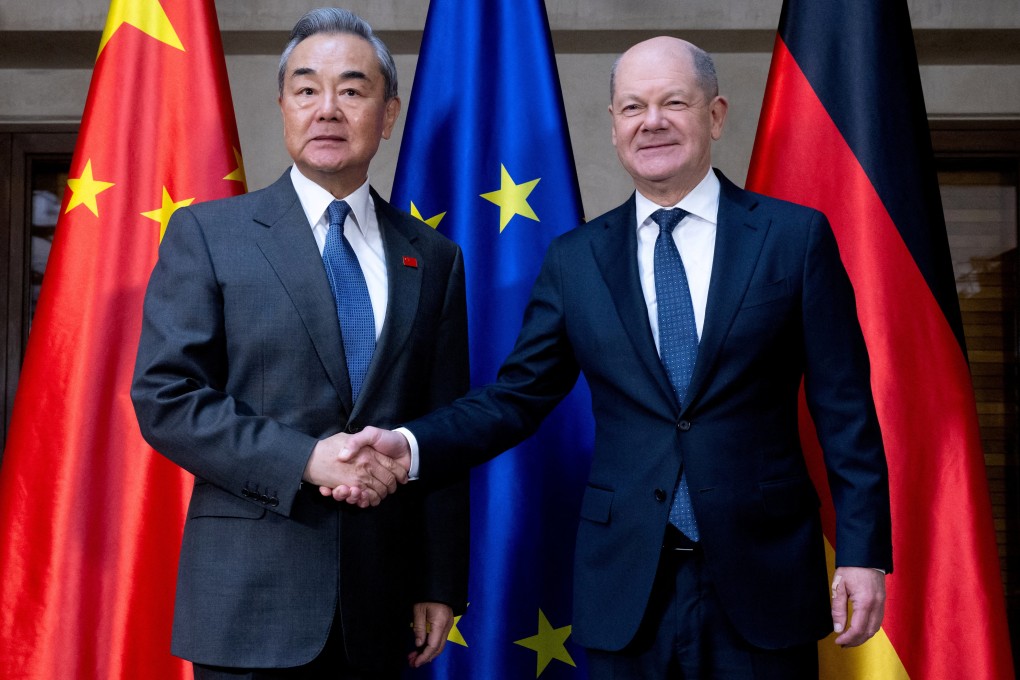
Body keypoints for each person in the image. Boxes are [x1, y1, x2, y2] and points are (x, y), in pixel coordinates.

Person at [341, 36, 892, 678]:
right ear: (612, 126)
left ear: (714, 115)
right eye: (632, 107)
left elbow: (845, 408)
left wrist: (862, 551)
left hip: (764, 576)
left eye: (673, 103)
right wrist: (409, 445)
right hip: (625, 585)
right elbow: (517, 397)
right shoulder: (576, 260)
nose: (650, 122)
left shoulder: (794, 239)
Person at [131, 8, 470, 679]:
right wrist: (306, 460)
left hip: (383, 599)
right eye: (307, 89)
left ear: (389, 112)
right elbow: (166, 398)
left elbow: (444, 425)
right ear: (283, 107)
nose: (328, 110)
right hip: (250, 600)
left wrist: (439, 577)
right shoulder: (210, 235)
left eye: (352, 89)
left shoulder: (432, 257)